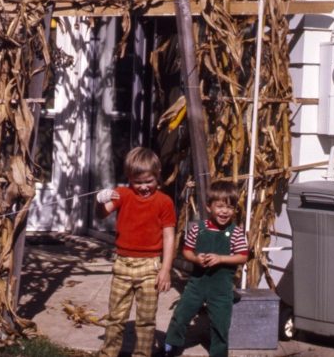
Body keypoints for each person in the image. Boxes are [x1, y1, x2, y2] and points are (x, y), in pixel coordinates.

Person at [95, 147, 176, 357]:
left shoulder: (164, 202)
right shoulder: (122, 194)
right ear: (129, 178)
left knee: (146, 320)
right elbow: (102, 215)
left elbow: (169, 236)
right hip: (122, 264)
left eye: (148, 181)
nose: (143, 187)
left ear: (157, 175)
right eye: (137, 182)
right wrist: (100, 201)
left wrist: (166, 270)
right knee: (115, 317)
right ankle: (108, 354)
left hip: (150, 267)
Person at [163, 180, 248, 357]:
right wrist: (196, 258)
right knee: (181, 315)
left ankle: (218, 353)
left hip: (221, 287)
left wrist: (221, 259)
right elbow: (186, 251)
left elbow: (243, 256)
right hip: (197, 283)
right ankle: (171, 345)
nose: (225, 211)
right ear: (209, 207)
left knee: (221, 323)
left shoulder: (235, 232)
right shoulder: (198, 229)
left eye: (230, 208)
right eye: (220, 206)